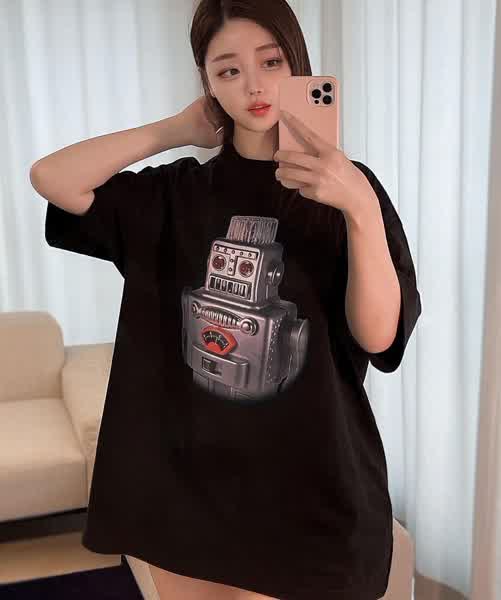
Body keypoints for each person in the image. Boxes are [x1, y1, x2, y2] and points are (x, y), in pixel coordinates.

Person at [30, 1, 422, 598]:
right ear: (208, 83)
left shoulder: (348, 192)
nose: (254, 86)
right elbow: (51, 178)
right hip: (189, 490)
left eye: (271, 62)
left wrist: (360, 207)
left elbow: (378, 336)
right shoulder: (178, 194)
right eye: (229, 70)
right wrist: (174, 131)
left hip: (310, 485)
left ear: (298, 63)